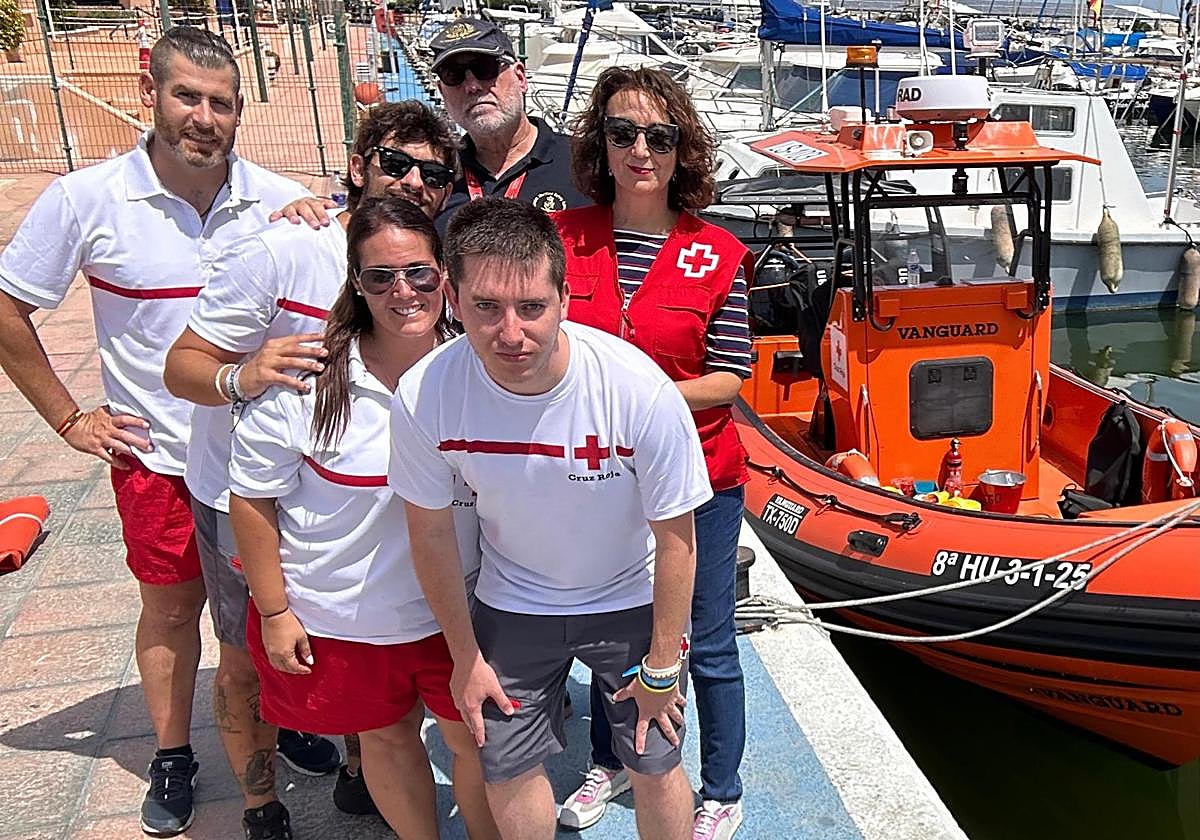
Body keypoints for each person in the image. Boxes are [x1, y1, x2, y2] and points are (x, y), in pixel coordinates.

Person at [0, 26, 337, 839]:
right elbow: (8, 304)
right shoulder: (88, 197)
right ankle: (174, 752)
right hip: (157, 455)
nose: (204, 116)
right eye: (187, 95)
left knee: (272, 609)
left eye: (221, 102)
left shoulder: (277, 196)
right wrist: (68, 417)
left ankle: (284, 720)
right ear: (151, 92)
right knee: (174, 610)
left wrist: (318, 216)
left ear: (240, 111)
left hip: (260, 460)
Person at [162, 99, 460, 821]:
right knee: (245, 658)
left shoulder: (433, 264)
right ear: (359, 168)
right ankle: (261, 805)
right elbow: (182, 367)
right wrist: (245, 375)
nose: (414, 181)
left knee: (378, 690)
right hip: (253, 486)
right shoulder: (288, 248)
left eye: (434, 172)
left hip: (360, 503)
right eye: (396, 163)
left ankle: (359, 767)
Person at [389, 197, 713, 840]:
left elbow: (677, 541)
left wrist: (661, 667)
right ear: (451, 297)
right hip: (512, 604)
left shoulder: (634, 389)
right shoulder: (425, 393)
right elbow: (427, 531)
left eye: (531, 307)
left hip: (626, 595)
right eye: (486, 307)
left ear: (565, 297)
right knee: (506, 767)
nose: (511, 333)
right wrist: (464, 655)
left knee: (654, 758)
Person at [227, 197, 498, 840]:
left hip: (459, 612)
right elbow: (252, 497)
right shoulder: (310, 378)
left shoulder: (483, 366)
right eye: (381, 276)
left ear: (446, 278)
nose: (403, 290)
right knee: (388, 738)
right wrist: (273, 611)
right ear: (357, 284)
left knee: (478, 743)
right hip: (349, 616)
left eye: (420, 272)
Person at [552, 66, 752, 840]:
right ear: (601, 144)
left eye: (659, 136)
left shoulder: (721, 251)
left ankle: (722, 786)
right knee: (612, 633)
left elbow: (729, 377)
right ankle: (609, 759)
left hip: (700, 480)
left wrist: (643, 403)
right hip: (596, 475)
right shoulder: (561, 240)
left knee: (706, 639)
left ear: (681, 150)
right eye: (623, 132)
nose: (641, 149)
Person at [429, 17, 589, 216]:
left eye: (485, 68)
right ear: (442, 92)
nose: (472, 87)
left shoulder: (586, 162)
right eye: (453, 75)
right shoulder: (436, 178)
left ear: (520, 77)